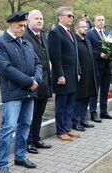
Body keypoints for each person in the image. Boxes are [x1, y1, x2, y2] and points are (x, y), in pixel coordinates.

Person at [0, 11, 42, 173]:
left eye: (24, 26)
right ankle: (2, 165)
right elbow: (6, 68)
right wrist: (29, 82)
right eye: (20, 26)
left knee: (25, 125)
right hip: (13, 93)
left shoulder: (26, 42)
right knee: (8, 128)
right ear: (11, 24)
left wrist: (37, 80)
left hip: (29, 92)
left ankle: (20, 157)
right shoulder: (0, 43)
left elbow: (38, 63)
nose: (22, 29)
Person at [48, 6, 80, 141]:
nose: (71, 18)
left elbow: (75, 55)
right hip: (63, 76)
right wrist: (60, 74)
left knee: (70, 104)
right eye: (69, 16)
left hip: (72, 75)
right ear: (60, 17)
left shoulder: (70, 33)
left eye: (72, 16)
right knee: (61, 105)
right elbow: (55, 57)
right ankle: (61, 131)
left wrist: (78, 71)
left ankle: (67, 128)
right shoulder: (56, 33)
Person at [23, 9, 52, 154]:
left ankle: (36, 138)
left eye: (41, 18)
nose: (40, 21)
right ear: (28, 21)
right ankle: (28, 142)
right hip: (32, 82)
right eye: (36, 18)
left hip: (45, 81)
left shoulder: (43, 36)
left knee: (39, 113)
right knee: (30, 114)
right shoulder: (25, 36)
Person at [86, 14, 112, 123]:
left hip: (107, 66)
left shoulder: (106, 34)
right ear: (94, 22)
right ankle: (93, 113)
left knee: (105, 90)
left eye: (103, 20)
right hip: (96, 66)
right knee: (95, 90)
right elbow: (89, 49)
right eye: (99, 20)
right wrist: (99, 54)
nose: (101, 22)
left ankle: (104, 111)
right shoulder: (90, 34)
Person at [71, 19, 96, 131]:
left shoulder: (86, 41)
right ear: (76, 28)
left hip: (89, 74)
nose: (85, 29)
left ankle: (82, 120)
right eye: (83, 27)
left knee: (86, 98)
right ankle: (75, 122)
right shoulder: (74, 41)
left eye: (86, 27)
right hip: (80, 75)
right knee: (79, 99)